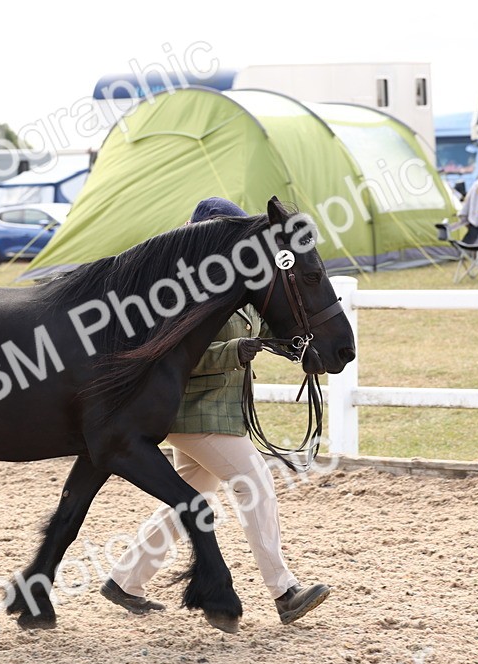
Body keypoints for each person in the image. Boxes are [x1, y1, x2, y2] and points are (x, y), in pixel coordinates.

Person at [100, 197, 331, 626]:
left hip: (220, 413)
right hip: (192, 412)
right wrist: (233, 351)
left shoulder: (232, 284)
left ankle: (125, 579)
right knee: (256, 484)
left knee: (189, 497)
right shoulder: (182, 291)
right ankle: (284, 591)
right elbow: (175, 358)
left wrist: (301, 350)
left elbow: (267, 328)